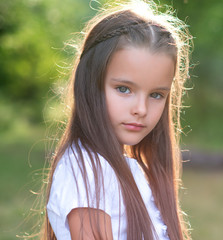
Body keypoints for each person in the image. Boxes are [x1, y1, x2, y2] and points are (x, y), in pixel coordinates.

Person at [40, 1, 192, 239]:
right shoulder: (88, 169)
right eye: (123, 89)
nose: (141, 109)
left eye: (156, 95)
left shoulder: (123, 168)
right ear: (91, 84)